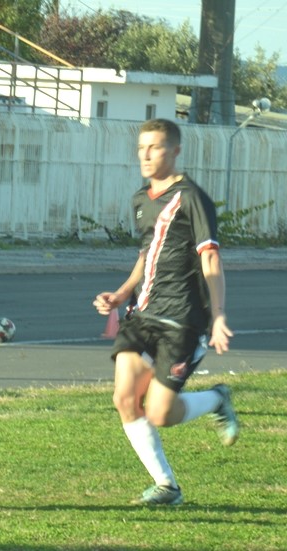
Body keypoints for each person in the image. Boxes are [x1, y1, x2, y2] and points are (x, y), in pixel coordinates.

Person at [92, 118, 238, 506]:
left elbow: (210, 259)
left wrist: (219, 315)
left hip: (183, 320)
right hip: (143, 315)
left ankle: (217, 399)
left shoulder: (192, 198)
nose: (146, 155)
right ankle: (167, 486)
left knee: (159, 413)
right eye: (142, 147)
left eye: (155, 147)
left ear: (174, 151)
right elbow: (147, 252)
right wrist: (122, 293)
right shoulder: (142, 199)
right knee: (125, 399)